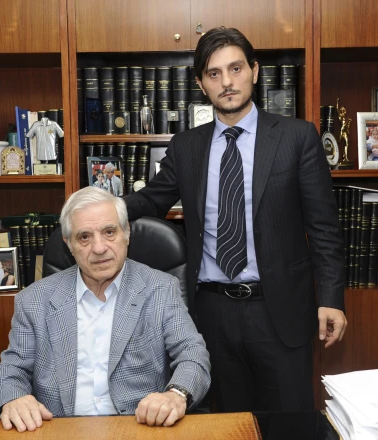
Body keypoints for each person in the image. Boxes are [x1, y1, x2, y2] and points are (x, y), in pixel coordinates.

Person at [125, 27, 347, 413]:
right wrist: (98, 208)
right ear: (201, 84)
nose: (227, 82)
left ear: (254, 71)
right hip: (212, 314)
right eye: (214, 73)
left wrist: (331, 298)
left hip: (280, 309)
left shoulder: (297, 137)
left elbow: (324, 228)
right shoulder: (187, 146)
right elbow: (149, 200)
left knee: (290, 424)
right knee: (227, 424)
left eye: (236, 69)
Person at [0, 187, 210, 432]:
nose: (99, 248)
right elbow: (11, 369)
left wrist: (176, 395)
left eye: (109, 232)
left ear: (126, 233)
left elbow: (192, 354)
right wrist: (14, 398)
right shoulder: (34, 299)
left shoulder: (160, 288)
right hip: (58, 430)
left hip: (139, 429)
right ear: (69, 243)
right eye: (84, 237)